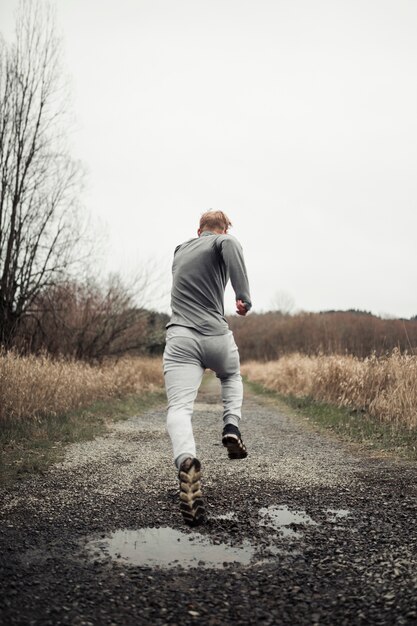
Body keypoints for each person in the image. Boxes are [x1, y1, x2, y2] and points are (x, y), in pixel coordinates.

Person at [163, 209, 252, 526]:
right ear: (224, 229)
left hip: (181, 337)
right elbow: (230, 246)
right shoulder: (224, 242)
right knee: (230, 375)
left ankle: (186, 460)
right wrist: (242, 297)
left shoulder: (180, 249)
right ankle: (230, 426)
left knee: (179, 408)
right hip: (215, 335)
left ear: (197, 229)